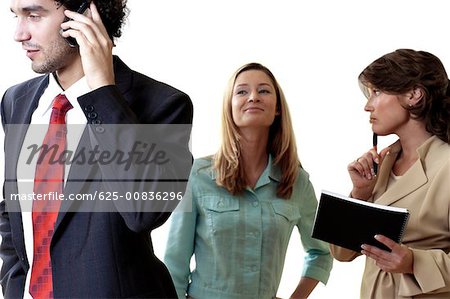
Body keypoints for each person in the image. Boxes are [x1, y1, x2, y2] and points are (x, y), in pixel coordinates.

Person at [1, 0, 193, 298]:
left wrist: (103, 91)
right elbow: (13, 208)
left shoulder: (163, 104)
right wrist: (15, 286)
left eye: (34, 15)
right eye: (16, 16)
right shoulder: (16, 101)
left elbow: (145, 211)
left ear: (84, 15)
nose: (18, 34)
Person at [164, 62, 333, 299]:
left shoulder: (297, 181)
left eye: (264, 90)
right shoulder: (199, 175)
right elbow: (175, 263)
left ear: (277, 109)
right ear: (229, 107)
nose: (253, 97)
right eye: (242, 91)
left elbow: (322, 252)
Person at [330, 49, 450, 298]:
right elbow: (341, 253)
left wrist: (414, 262)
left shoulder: (446, 165)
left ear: (413, 95)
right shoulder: (381, 164)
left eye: (377, 92)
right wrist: (360, 194)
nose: (367, 105)